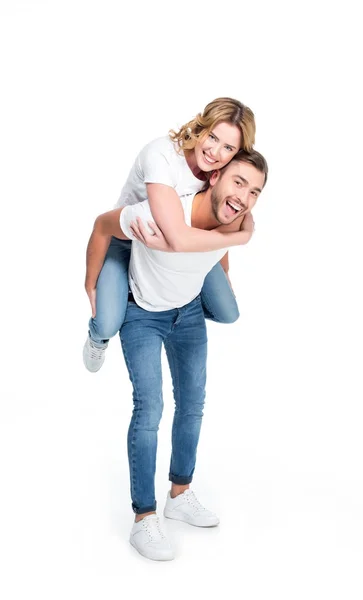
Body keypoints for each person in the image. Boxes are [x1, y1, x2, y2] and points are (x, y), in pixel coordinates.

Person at [86, 149, 268, 560]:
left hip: (186, 315)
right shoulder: (156, 214)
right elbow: (102, 227)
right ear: (215, 175)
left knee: (193, 405)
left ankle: (179, 494)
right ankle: (143, 518)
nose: (244, 196)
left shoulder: (233, 216)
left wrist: (227, 267)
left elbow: (217, 247)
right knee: (150, 409)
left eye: (255, 191)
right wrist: (91, 285)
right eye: (238, 183)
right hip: (142, 313)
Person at [83, 97, 256, 372]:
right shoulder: (162, 156)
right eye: (212, 137)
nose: (214, 152)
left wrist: (224, 269)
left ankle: (167, 299)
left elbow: (221, 221)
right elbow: (176, 238)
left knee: (227, 310)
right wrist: (90, 285)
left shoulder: (219, 174)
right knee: (107, 322)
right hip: (131, 237)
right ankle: (102, 331)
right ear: (202, 126)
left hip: (182, 246)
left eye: (228, 148)